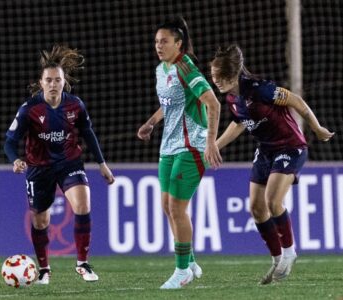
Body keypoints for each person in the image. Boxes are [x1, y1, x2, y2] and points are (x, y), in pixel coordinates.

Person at [210, 44, 334, 284]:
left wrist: (317, 128)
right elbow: (239, 124)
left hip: (290, 146)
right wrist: (215, 145)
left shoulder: (260, 89)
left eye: (218, 76)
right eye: (213, 76)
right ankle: (278, 260)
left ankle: (289, 252)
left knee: (273, 201)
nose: (215, 80)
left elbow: (295, 100)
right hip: (265, 151)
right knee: (256, 209)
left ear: (233, 73)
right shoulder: (232, 98)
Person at [4, 44, 115, 285]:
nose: (53, 84)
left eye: (58, 80)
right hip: (39, 168)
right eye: (49, 80)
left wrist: (102, 164)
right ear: (41, 82)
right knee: (40, 221)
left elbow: (88, 133)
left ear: (64, 82)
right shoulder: (29, 109)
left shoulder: (75, 105)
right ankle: (44, 269)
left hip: (69, 163)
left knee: (83, 204)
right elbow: (9, 141)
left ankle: (82, 264)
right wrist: (15, 160)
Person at [137, 16, 222, 289]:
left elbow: (213, 103)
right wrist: (151, 123)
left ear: (179, 43)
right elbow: (170, 104)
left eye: (164, 41)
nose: (159, 46)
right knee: (166, 207)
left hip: (192, 146)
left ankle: (182, 271)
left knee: (177, 207)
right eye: (156, 42)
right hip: (168, 147)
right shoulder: (161, 69)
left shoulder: (186, 67)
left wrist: (211, 141)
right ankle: (191, 261)